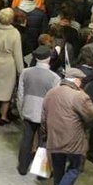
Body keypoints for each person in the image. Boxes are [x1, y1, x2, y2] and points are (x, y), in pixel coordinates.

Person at [41, 68, 93, 185]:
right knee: (74, 167)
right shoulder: (79, 96)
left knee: (58, 166)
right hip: (73, 140)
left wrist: (45, 135)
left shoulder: (51, 93)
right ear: (77, 80)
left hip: (54, 137)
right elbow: (92, 113)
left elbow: (43, 117)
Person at [16, 46, 60, 175]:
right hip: (44, 114)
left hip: (28, 110)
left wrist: (21, 110)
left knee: (26, 139)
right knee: (43, 142)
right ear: (49, 58)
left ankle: (22, 168)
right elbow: (54, 101)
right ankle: (41, 171)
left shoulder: (25, 72)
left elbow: (20, 94)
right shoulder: (54, 77)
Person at [0, 7, 24, 127]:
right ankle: (3, 117)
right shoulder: (15, 33)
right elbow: (17, 53)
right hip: (9, 64)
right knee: (7, 91)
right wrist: (20, 71)